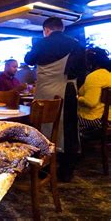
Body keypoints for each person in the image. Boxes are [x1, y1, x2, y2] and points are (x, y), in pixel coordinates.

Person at [24, 17, 85, 182]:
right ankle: (66, 171)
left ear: (46, 30)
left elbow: (28, 60)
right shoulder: (76, 44)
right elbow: (81, 72)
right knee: (69, 130)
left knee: (43, 129)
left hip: (43, 93)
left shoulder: (41, 43)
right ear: (61, 28)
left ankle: (43, 168)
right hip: (67, 90)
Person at [78, 47, 111, 136]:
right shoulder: (108, 75)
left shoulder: (94, 77)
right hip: (108, 118)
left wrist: (77, 98)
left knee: (66, 118)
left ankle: (72, 148)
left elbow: (91, 102)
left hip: (95, 120)